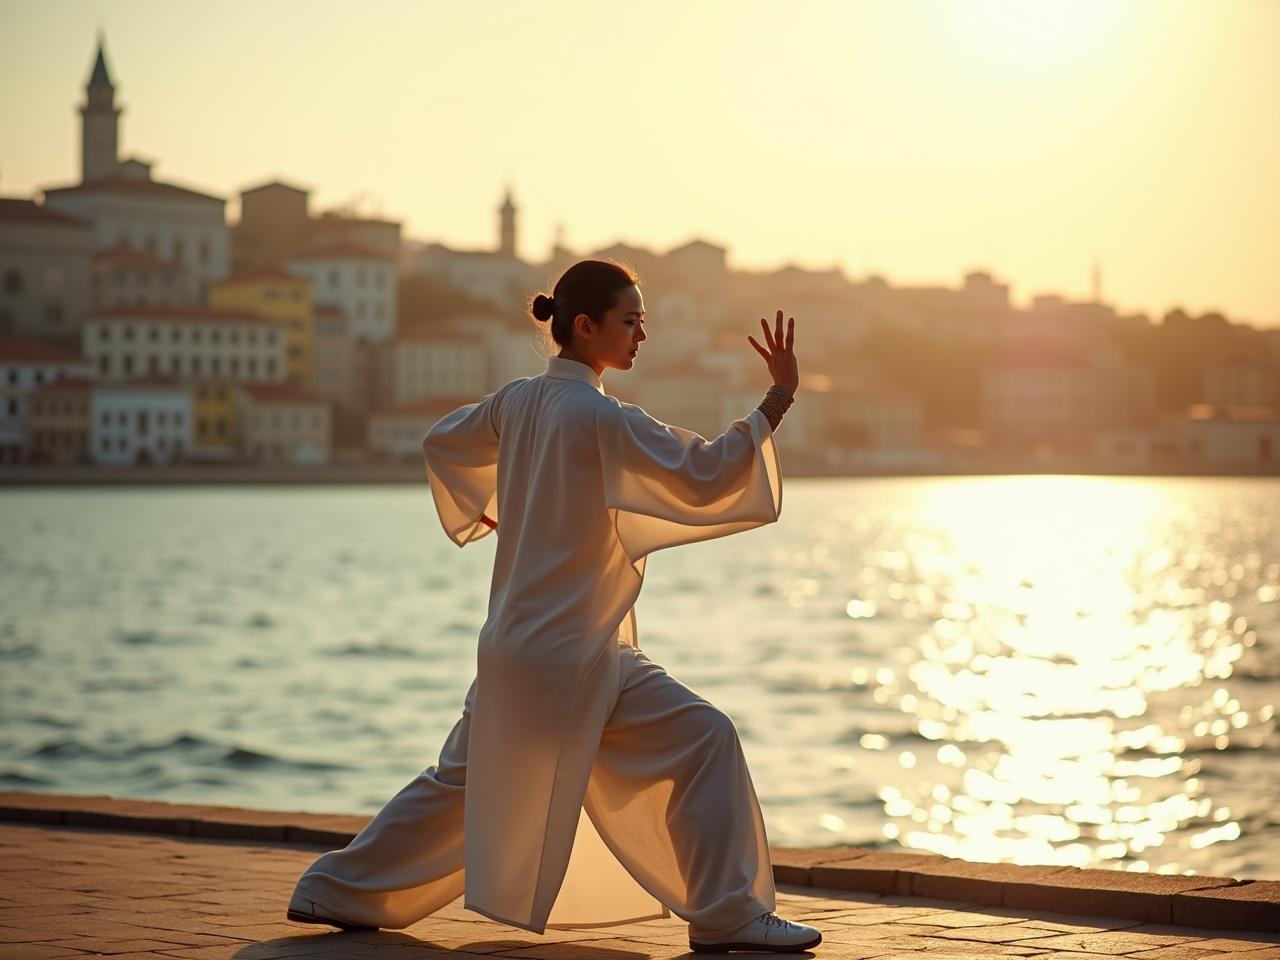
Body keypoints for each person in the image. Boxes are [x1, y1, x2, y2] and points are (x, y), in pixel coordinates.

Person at [286, 259, 822, 953]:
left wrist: (493, 513)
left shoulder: (516, 402)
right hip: (573, 650)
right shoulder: (601, 417)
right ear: (584, 326)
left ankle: (332, 888)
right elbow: (708, 473)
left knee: (462, 786)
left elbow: (441, 441)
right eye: (630, 321)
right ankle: (728, 915)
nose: (641, 335)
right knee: (706, 737)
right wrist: (777, 398)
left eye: (642, 321)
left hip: (515, 642)